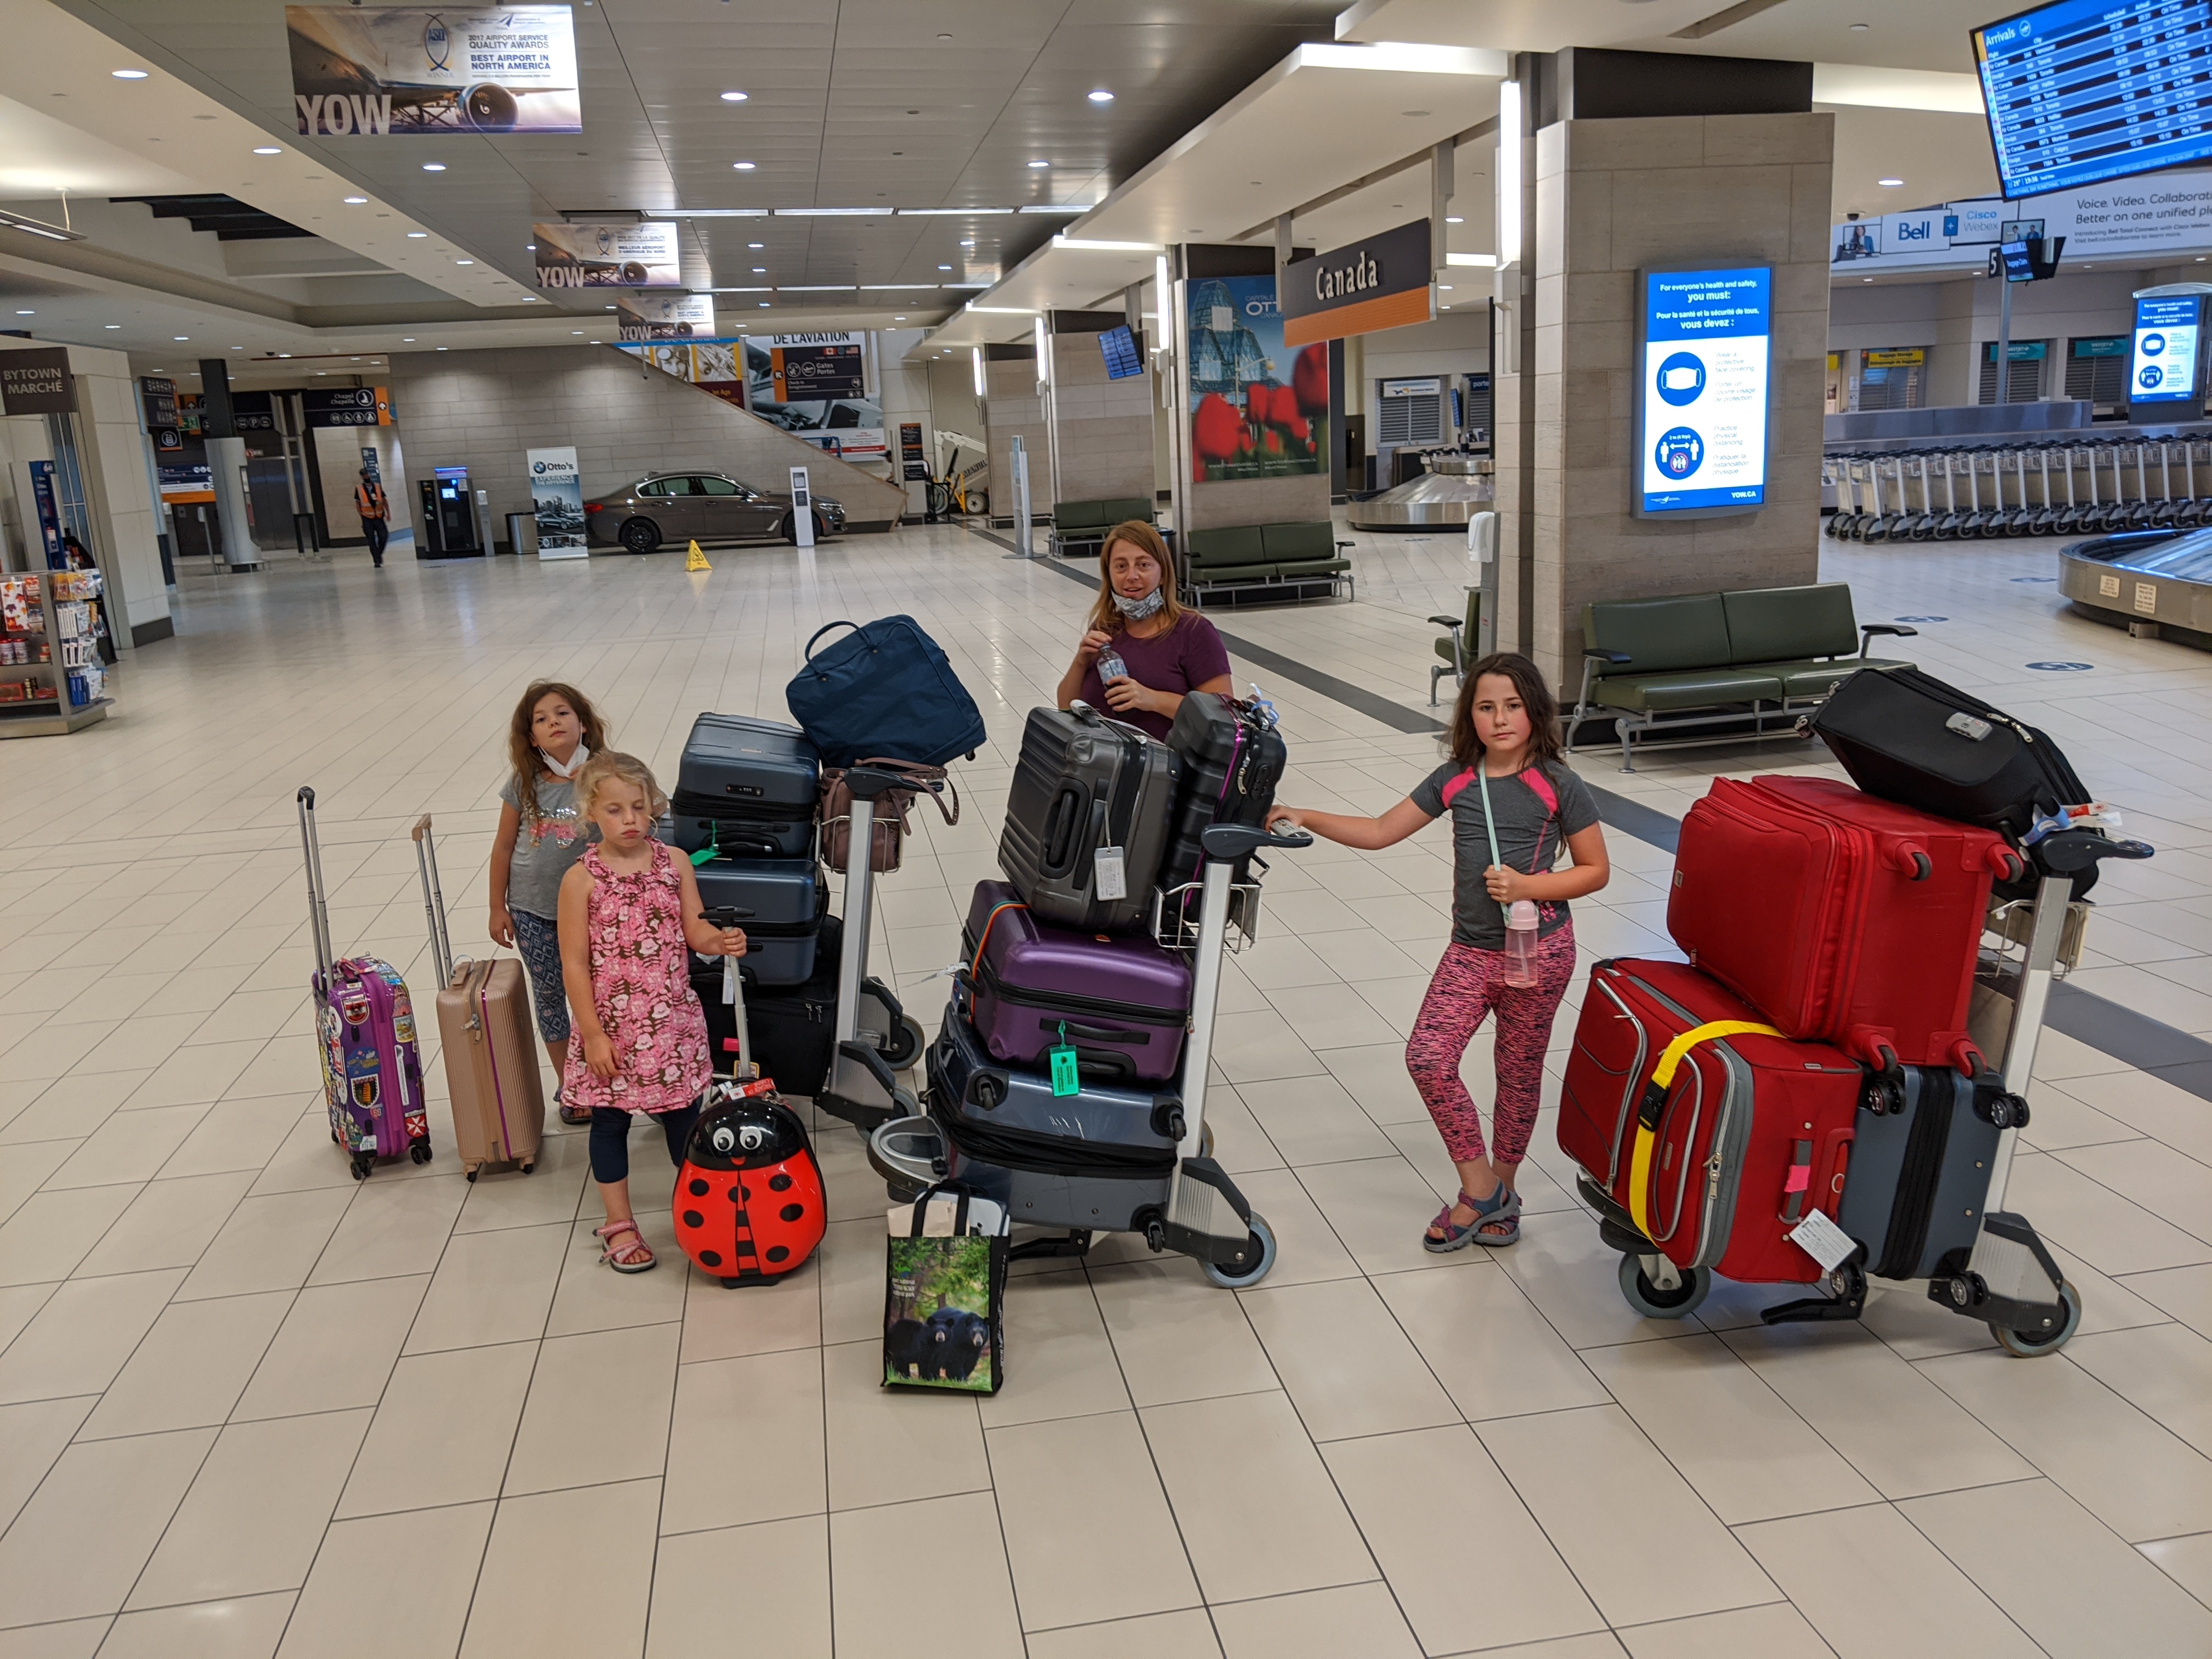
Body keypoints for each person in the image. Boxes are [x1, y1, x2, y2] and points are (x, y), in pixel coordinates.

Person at [1273, 653, 1611, 1249]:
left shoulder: (1561, 784)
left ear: (1534, 710)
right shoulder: (1455, 777)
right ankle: (1481, 1188)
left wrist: (1531, 887)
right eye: (1486, 707)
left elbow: (1595, 871)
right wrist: (1307, 814)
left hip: (1541, 952)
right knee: (1428, 1057)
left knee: (1518, 1074)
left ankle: (1501, 1196)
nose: (1500, 719)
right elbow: (1380, 832)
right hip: (1472, 952)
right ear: (1470, 715)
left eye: (1512, 706)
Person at [558, 750, 747, 1274]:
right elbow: (574, 965)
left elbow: (695, 930)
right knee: (611, 1122)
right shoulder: (581, 881)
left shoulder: (675, 862)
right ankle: (619, 1224)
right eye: (615, 810)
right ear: (591, 813)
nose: (631, 821)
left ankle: (700, 1209)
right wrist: (593, 1035)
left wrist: (721, 939)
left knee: (683, 1118)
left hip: (670, 1024)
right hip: (612, 1031)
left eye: (639, 808)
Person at [491, 682, 608, 1126]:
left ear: (582, 722)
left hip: (597, 912)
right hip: (532, 911)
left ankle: (614, 1071)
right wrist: (496, 907)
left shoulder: (604, 775)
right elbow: (503, 847)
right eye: (541, 719)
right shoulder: (523, 783)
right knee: (551, 999)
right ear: (531, 736)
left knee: (601, 995)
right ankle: (572, 1084)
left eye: (561, 713)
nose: (553, 722)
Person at [1055, 520, 1233, 740]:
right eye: (1121, 566)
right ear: (1109, 575)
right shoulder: (1107, 627)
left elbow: (1223, 717)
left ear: (1164, 575)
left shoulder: (1194, 632)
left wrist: (1153, 700)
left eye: (1144, 565)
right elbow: (1065, 706)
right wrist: (1081, 661)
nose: (1132, 576)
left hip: (1169, 766)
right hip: (1107, 764)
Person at [355, 469, 391, 567]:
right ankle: (377, 560)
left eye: (367, 475)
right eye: (364, 476)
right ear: (362, 477)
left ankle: (378, 554)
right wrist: (361, 515)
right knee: (371, 540)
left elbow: (384, 501)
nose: (366, 477)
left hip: (379, 517)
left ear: (369, 475)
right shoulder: (359, 488)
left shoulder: (378, 487)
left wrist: (388, 513)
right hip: (367, 518)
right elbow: (358, 503)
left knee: (384, 536)